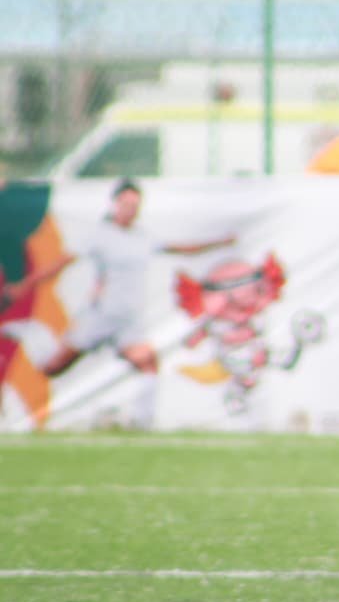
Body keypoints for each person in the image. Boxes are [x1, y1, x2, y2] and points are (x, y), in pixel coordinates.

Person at [40, 178, 235, 429]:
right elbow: (62, 262)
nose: (131, 209)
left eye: (135, 205)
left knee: (149, 363)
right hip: (99, 316)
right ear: (115, 204)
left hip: (127, 322)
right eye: (127, 203)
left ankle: (143, 424)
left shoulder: (142, 237)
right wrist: (25, 286)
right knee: (53, 367)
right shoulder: (100, 235)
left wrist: (220, 242)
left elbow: (182, 249)